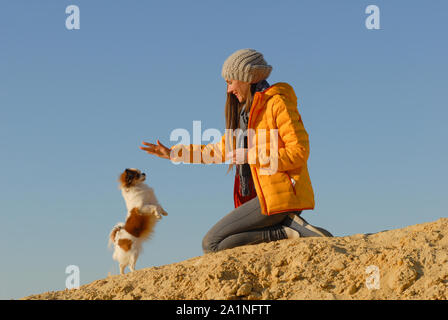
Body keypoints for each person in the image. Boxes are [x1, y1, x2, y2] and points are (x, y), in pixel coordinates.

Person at [140, 48, 332, 253]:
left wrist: (250, 156)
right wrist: (173, 154)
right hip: (261, 196)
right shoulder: (245, 116)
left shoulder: (277, 103)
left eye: (230, 82)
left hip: (279, 195)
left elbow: (299, 152)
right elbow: (218, 151)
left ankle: (285, 230)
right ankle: (287, 229)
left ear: (248, 77)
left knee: (210, 243)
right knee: (219, 246)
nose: (228, 90)